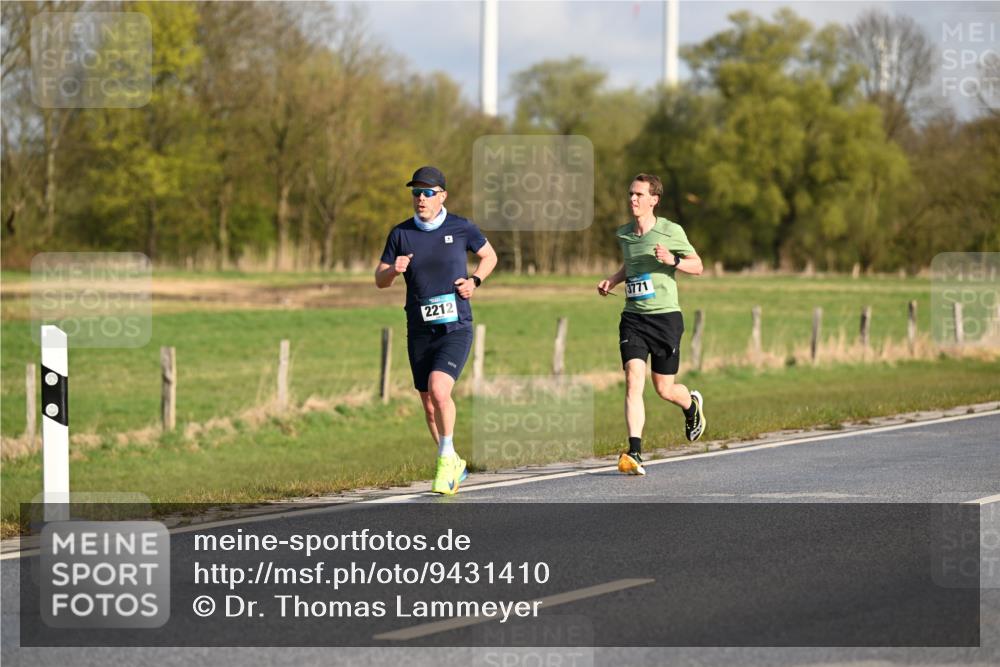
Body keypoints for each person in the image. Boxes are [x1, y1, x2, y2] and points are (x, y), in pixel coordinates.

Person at [375, 166, 497, 494]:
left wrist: (475, 281)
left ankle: (445, 460)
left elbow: (489, 255)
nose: (420, 198)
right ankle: (452, 459)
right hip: (419, 329)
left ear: (442, 195)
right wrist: (393, 271)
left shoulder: (461, 227)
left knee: (440, 389)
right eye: (416, 192)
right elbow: (379, 279)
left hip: (456, 326)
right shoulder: (401, 234)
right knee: (428, 403)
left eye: (428, 192)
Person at [597, 173, 706, 476]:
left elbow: (698, 266)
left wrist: (673, 260)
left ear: (654, 200)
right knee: (634, 378)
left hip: (665, 319)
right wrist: (613, 280)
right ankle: (635, 452)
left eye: (639, 195)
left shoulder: (671, 231)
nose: (632, 199)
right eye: (631, 194)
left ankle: (691, 405)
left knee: (664, 389)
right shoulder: (625, 234)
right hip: (633, 318)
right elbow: (631, 265)